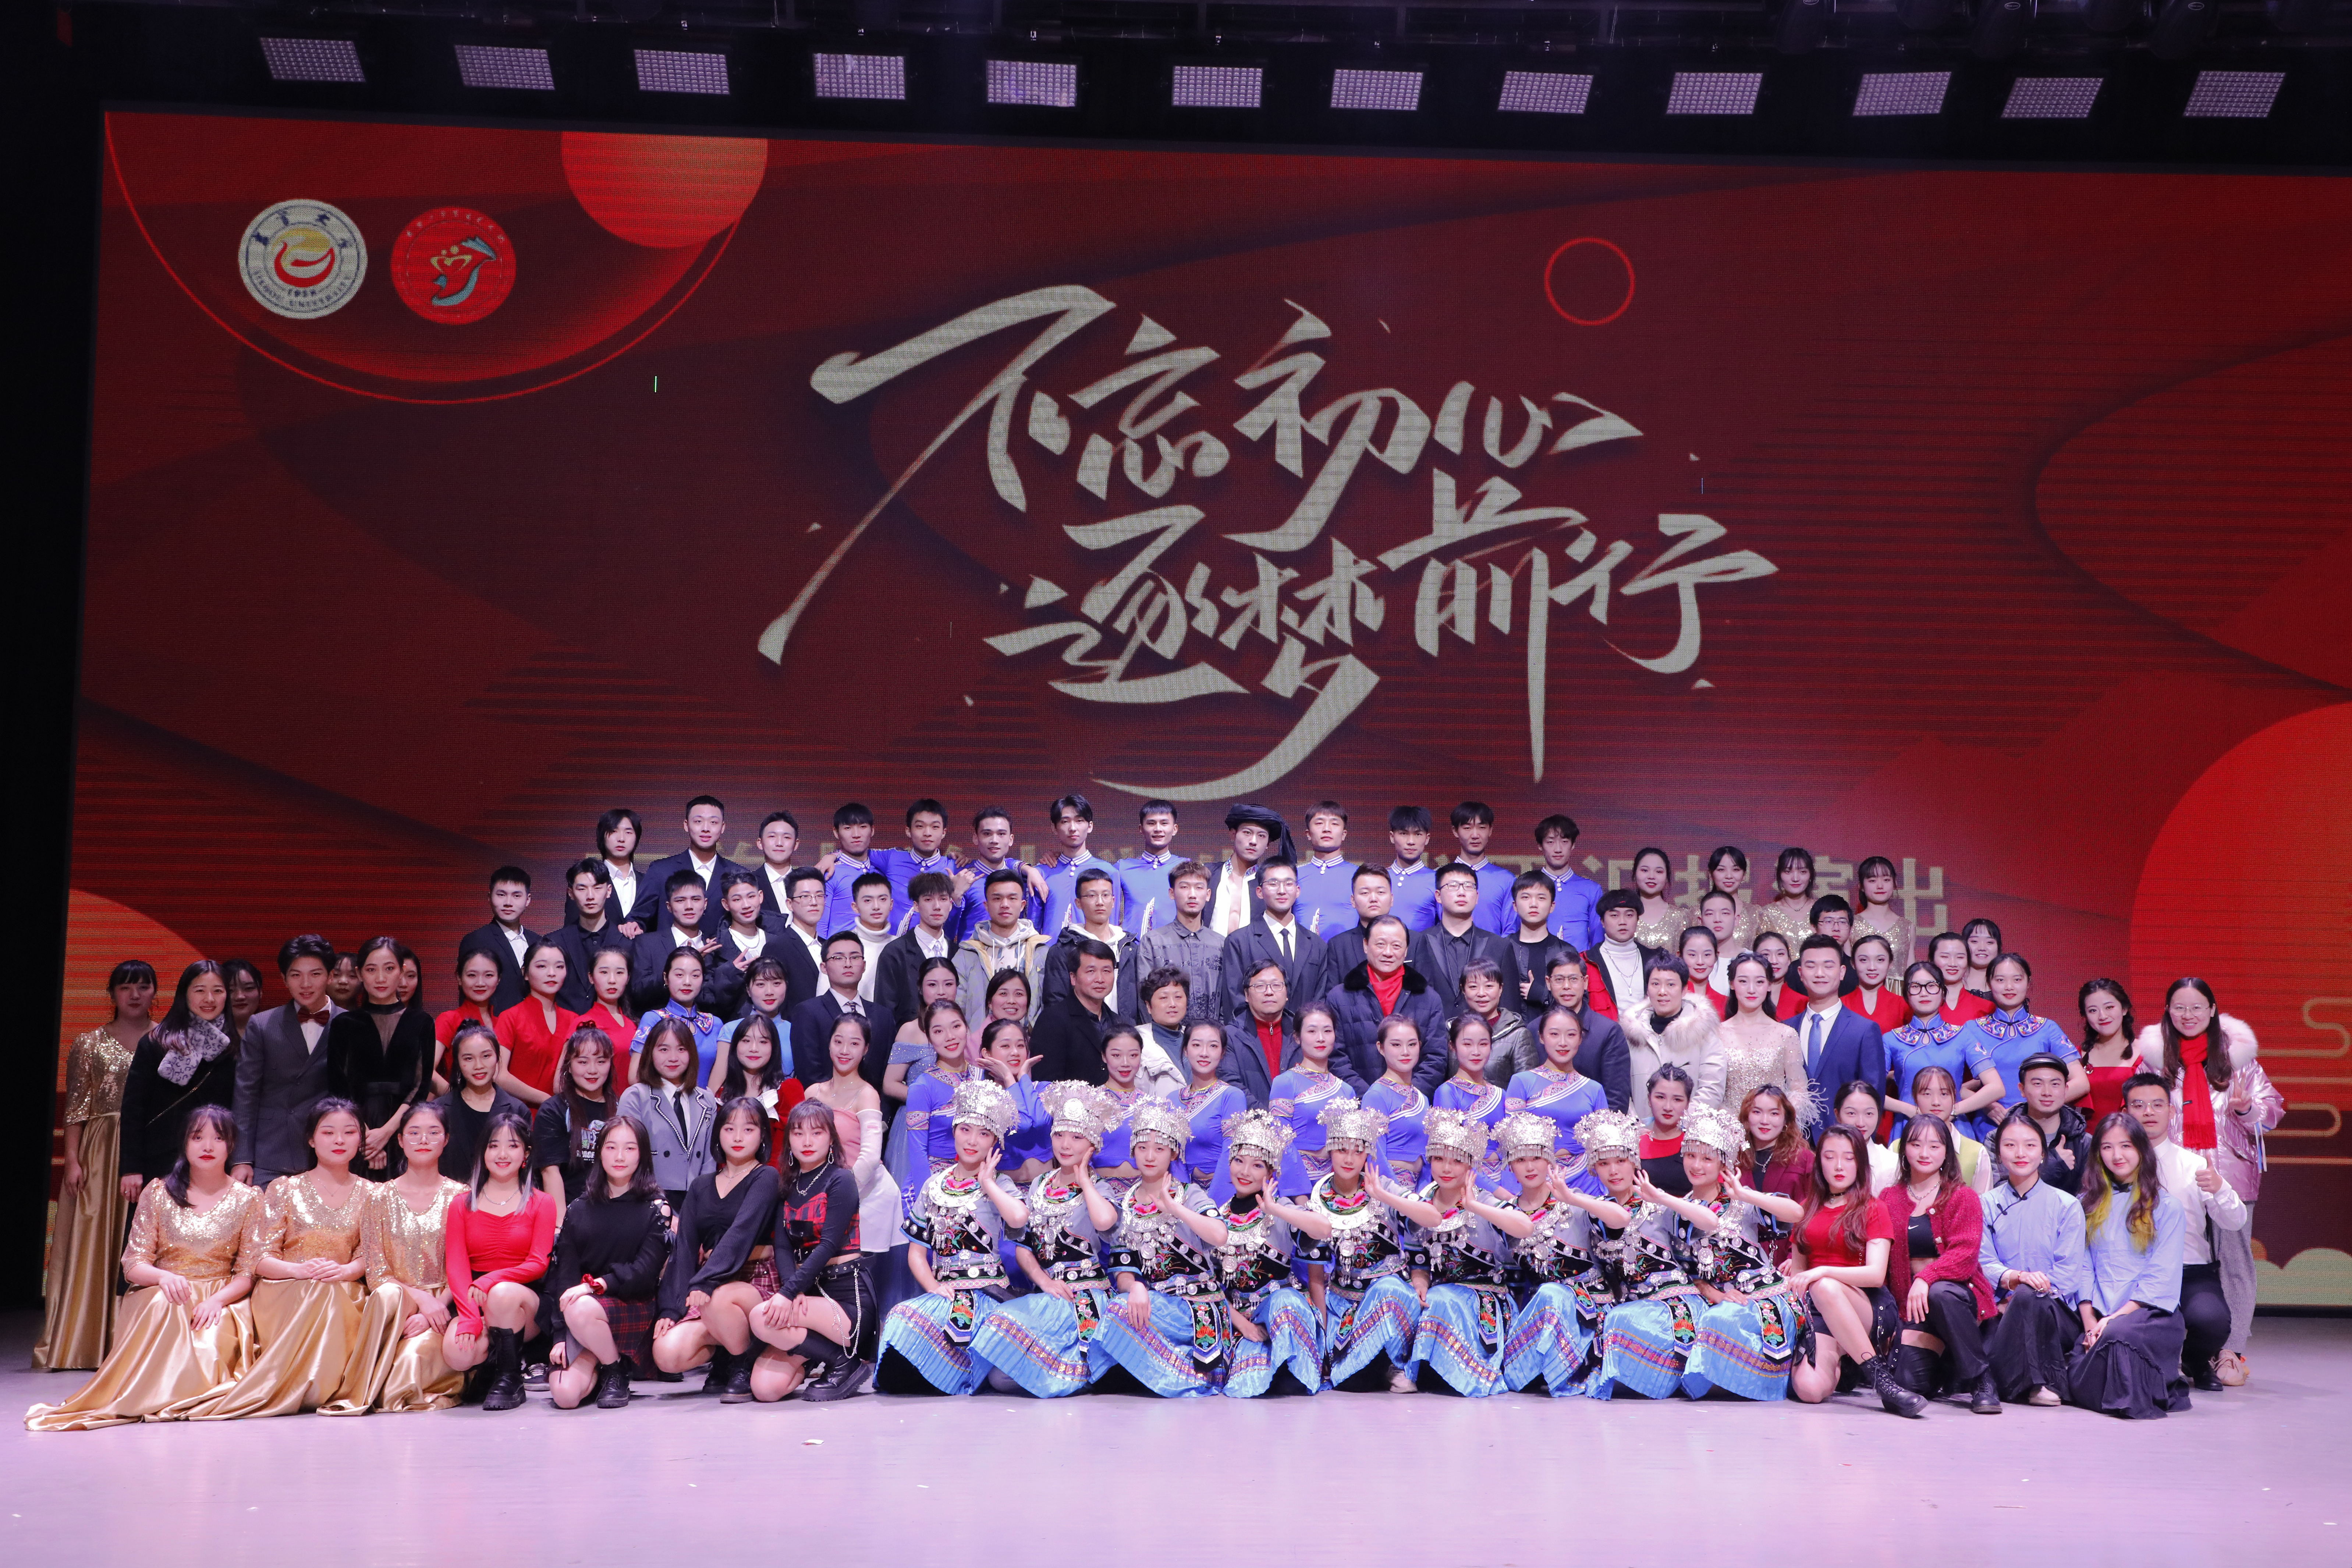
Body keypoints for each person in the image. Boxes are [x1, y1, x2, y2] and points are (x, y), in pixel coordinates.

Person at [27, 1105, 262, 1430]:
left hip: (220, 1298)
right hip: (162, 1292)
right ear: (184, 1142)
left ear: (231, 1145)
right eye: (198, 1138)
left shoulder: (249, 1199)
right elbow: (133, 1264)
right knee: (166, 1306)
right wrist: (165, 1277)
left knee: (210, 1346)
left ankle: (184, 1397)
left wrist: (215, 1301)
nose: (207, 1146)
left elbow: (247, 1272)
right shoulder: (159, 1192)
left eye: (218, 1138)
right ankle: (150, 1397)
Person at [170, 1099, 371, 1419]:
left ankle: (323, 1386)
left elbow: (370, 1255)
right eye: (328, 1132)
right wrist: (300, 1270)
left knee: (328, 1293)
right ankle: (298, 1387)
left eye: (349, 1132)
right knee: (318, 1291)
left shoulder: (373, 1194)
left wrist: (344, 1271)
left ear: (361, 1139)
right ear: (311, 1139)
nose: (339, 1140)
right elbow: (259, 1259)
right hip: (284, 1289)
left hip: (343, 1288)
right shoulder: (285, 1189)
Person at [2133, 976, 2280, 1385]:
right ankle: (2180, 1348)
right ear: (2168, 1012)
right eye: (2179, 1007)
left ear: (2212, 1010)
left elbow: (2271, 1112)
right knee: (2174, 1260)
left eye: (2197, 1007)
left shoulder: (2238, 1059)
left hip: (2230, 1174)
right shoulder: (2155, 1062)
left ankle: (2230, 1351)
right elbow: (2137, 1112)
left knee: (2234, 1263)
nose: (2188, 1015)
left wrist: (2247, 1109)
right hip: (2171, 1179)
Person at [968, 1081, 1126, 1397]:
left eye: (1077, 1137)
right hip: (1049, 1294)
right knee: (998, 1373)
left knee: (1005, 1377)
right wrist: (1044, 1281)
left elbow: (1105, 1222)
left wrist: (1084, 1180)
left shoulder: (1100, 1189)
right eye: (1059, 1135)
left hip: (1084, 1296)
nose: (1065, 1145)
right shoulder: (1039, 1184)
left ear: (1092, 1144)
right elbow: (1023, 1245)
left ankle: (1077, 1371)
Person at [35, 959, 156, 1372]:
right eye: (126, 987)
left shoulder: (168, 1039)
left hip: (150, 1146)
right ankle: (86, 1340)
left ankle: (136, 1342)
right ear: (112, 993)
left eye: (143, 986)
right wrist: (72, 1159)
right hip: (101, 1151)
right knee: (94, 1239)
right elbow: (76, 1109)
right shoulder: (89, 1043)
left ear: (155, 993)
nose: (135, 994)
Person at [1643, 1106, 1807, 1402]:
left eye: (1707, 1159)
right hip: (1718, 1301)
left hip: (1762, 1298)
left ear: (1724, 1163)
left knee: (1717, 1323)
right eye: (1691, 1156)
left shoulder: (1739, 1200)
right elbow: (1684, 1272)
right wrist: (1715, 1295)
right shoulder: (1676, 1210)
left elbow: (1796, 1213)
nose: (1696, 1165)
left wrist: (1745, 1194)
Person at [875, 1079, 1026, 1394]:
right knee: (900, 1320)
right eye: (965, 1130)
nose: (972, 1141)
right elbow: (916, 1254)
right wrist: (933, 1287)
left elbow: (1018, 1218)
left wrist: (989, 1185)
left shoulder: (999, 1183)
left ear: (994, 1142)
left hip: (988, 1294)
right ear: (954, 1131)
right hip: (945, 1292)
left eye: (983, 1134)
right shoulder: (933, 1186)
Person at [323, 1103, 467, 1415]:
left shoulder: (461, 1197)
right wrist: (418, 1300)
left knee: (406, 1372)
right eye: (414, 1133)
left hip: (443, 1308)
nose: (423, 1140)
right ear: (400, 1140)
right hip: (391, 1308)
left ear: (446, 1140)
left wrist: (434, 1309)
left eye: (433, 1133)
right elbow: (376, 1270)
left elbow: (465, 1266)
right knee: (387, 1298)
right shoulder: (379, 1197)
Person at [1493, 1108, 1640, 1396]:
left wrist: (1573, 1198)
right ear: (1510, 1165)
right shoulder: (1507, 1215)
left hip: (1589, 1307)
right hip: (1543, 1308)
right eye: (1520, 1159)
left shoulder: (1575, 1202)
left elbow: (1620, 1219)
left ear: (1550, 1161)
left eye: (1537, 1158)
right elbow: (1512, 1281)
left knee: (1552, 1293)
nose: (1530, 1167)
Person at [1781, 1124, 1923, 1416]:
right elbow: (1799, 1274)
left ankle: (1881, 1380)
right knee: (1809, 1390)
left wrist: (1822, 1272)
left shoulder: (1873, 1208)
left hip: (1866, 1305)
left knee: (1825, 1286)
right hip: (1820, 1309)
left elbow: (1875, 1275)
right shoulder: (1805, 1208)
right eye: (1829, 1157)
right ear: (1819, 1162)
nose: (1839, 1166)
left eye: (1848, 1158)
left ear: (1860, 1162)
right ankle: (1845, 1364)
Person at [1297, 1099, 1436, 1391]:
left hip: (1390, 1296)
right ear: (1330, 1150)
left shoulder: (1383, 1187)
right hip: (1344, 1302)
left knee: (1388, 1291)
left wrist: (1383, 1196)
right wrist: (1323, 1337)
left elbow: (1431, 1217)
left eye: (1358, 1151)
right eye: (1342, 1150)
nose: (1349, 1159)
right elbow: (1316, 1276)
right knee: (1351, 1380)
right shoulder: (1318, 1198)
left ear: (1368, 1154)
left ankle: (1397, 1364)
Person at [651, 1098, 783, 1402]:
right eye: (729, 1129)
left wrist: (705, 1281)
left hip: (754, 1278)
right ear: (718, 1134)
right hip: (710, 1282)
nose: (738, 1137)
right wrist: (671, 1308)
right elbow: (685, 1249)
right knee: (667, 1354)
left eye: (748, 1129)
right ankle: (725, 1354)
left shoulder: (766, 1177)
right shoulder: (701, 1185)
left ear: (762, 1135)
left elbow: (740, 1235)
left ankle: (742, 1363)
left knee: (718, 1301)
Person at [2123, 1071, 2246, 1393]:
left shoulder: (2194, 1165)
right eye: (2138, 1105)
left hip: (2188, 1271)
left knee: (2212, 1321)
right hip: (2133, 1271)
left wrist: (2219, 1189)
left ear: (2171, 1110)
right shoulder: (2114, 1164)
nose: (2148, 1112)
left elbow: (2234, 1221)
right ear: (2125, 1112)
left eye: (2157, 1105)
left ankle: (2195, 1359)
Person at [1398, 1107, 1532, 1396]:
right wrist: (1419, 1282)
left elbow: (1525, 1227)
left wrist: (1474, 1207)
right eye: (1439, 1159)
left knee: (1441, 1300)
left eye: (1457, 1161)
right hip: (1438, 1294)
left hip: (1483, 1298)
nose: (1446, 1169)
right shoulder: (1420, 1203)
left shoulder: (1485, 1201)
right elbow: (1418, 1260)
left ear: (1471, 1165)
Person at [753, 1103, 880, 1400]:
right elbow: (782, 1245)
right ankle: (821, 1353)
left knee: (761, 1317)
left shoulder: (841, 1180)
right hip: (807, 1294)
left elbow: (829, 1245)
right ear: (789, 1140)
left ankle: (843, 1362)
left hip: (846, 1301)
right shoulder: (789, 1183)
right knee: (765, 1389)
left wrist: (788, 1293)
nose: (807, 1142)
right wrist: (793, 1288)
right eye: (798, 1134)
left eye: (817, 1133)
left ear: (831, 1138)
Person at [2069, 1112, 2189, 1419]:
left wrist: (2114, 1319)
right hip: (2099, 1314)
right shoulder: (2085, 1204)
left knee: (2120, 1335)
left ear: (2141, 1150)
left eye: (2125, 1146)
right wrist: (2090, 1323)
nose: (2117, 1156)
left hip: (2149, 1313)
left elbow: (2160, 1275)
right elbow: (2083, 1266)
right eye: (2107, 1147)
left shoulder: (2167, 1207)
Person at [547, 1117, 672, 1411]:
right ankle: (607, 1362)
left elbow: (645, 1273)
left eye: (630, 1148)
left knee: (581, 1307)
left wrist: (595, 1287)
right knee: (565, 1396)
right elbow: (565, 1276)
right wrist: (560, 1335)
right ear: (599, 1152)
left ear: (642, 1155)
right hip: (582, 1314)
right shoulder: (578, 1209)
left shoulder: (656, 1208)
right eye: (611, 1147)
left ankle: (616, 1372)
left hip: (632, 1306)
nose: (619, 1157)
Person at [1879, 1113, 1998, 1411]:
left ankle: (1981, 1380)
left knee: (1940, 1292)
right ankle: (1949, 1365)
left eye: (1934, 1146)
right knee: (1906, 1385)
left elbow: (1965, 1255)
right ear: (1904, 1150)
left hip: (1956, 1298)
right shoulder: (1888, 1198)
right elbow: (1881, 1260)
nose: (1924, 1153)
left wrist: (1925, 1278)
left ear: (1946, 1152)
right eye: (1916, 1144)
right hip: (1914, 1307)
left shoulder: (1962, 1196)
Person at [440, 1107, 556, 1412]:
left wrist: (492, 1281)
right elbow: (457, 1266)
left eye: (513, 1145)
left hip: (524, 1300)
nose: (502, 1154)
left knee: (502, 1294)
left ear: (526, 1154)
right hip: (475, 1299)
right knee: (458, 1354)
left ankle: (510, 1379)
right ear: (483, 1152)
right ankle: (493, 1363)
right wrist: (468, 1317)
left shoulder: (542, 1202)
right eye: (494, 1146)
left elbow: (538, 1263)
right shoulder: (461, 1204)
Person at [1212, 1107, 1332, 1398]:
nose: (1245, 1172)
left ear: (1271, 1173)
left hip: (1284, 1312)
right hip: (1242, 1320)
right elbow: (1211, 1287)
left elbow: (1323, 1228)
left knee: (1284, 1302)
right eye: (1239, 1161)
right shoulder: (1216, 1218)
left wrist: (1276, 1209)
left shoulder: (1281, 1211)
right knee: (1247, 1386)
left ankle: (1297, 1365)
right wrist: (1241, 1324)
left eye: (1256, 1166)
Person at [1978, 1109, 2089, 1408]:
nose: (2020, 1153)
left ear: (2043, 1154)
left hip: (2053, 1314)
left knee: (2029, 1298)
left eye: (2029, 1145)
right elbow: (1982, 1262)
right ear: (1999, 1153)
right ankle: (2026, 1382)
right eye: (2010, 1145)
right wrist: (2013, 1280)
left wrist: (2023, 1292)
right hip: (1999, 1308)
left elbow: (2068, 1274)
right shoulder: (1984, 1204)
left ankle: (2035, 1381)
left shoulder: (2066, 1205)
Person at [123, 961, 242, 1199]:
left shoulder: (236, 1048)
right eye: (200, 990)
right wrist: (130, 1168)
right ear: (184, 994)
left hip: (217, 1164)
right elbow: (133, 1110)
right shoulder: (156, 1043)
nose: (209, 999)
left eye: (218, 991)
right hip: (161, 1161)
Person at [229, 935, 337, 1187]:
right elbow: (246, 1095)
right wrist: (241, 1159)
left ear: (330, 976)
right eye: (296, 975)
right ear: (284, 979)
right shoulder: (262, 1024)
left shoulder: (350, 1024)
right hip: (269, 1154)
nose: (306, 984)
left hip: (330, 1155)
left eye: (315, 974)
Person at [326, 936, 435, 1175]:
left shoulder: (422, 1022)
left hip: (404, 1128)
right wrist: (366, 1137)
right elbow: (338, 1086)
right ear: (360, 974)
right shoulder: (344, 1023)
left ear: (402, 972)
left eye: (389, 969)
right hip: (354, 1131)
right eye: (371, 970)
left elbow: (421, 1086)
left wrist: (386, 1133)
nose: (381, 978)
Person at [1326, 916, 1447, 1095]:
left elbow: (1436, 1058)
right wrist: (1370, 1097)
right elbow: (1336, 1057)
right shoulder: (1339, 998)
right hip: (1357, 1104)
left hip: (1413, 1104)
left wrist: (1407, 1098)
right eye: (1380, 945)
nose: (1388, 953)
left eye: (1397, 946)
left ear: (1406, 950)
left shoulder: (1429, 999)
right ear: (1366, 945)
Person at [1957, 953, 2086, 1118]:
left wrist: (2032, 1106)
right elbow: (1955, 1086)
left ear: (2028, 983)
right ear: (1989, 983)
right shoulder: (1972, 1029)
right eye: (2000, 980)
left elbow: (2081, 1083)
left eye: (2017, 980)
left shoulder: (2047, 1029)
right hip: (1989, 1124)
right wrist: (1986, 1105)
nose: (2009, 987)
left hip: (2037, 1122)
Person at [1883, 961, 2002, 1139]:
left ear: (1943, 993)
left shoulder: (1962, 1036)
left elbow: (1996, 1088)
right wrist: (1909, 1110)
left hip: (1955, 1127)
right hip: (1909, 1127)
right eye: (1916, 987)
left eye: (1931, 986)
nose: (1924, 993)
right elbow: (1870, 1090)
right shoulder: (1891, 1039)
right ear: (1906, 994)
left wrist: (1954, 1110)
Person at [618, 1015, 719, 1209]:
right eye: (664, 1049)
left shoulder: (706, 1100)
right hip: (647, 1200)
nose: (673, 1058)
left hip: (696, 1202)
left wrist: (703, 1204)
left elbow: (709, 1160)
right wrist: (657, 1206)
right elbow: (627, 1158)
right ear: (650, 1053)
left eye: (682, 1049)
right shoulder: (636, 1097)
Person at [1506, 1007, 1610, 1192]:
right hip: (1536, 1182)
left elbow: (1604, 1147)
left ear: (1580, 1039)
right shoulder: (1521, 1082)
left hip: (1587, 1182)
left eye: (1571, 1035)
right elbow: (1514, 1145)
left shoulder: (1594, 1089)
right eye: (1554, 1034)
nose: (1563, 1043)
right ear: (1541, 1037)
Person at [1221, 856, 1330, 1025]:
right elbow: (1235, 1001)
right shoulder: (1239, 942)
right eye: (1273, 884)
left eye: (1289, 883)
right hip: (1254, 1036)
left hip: (1304, 1036)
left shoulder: (1317, 945)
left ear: (1298, 890)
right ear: (1259, 892)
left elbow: (1320, 1000)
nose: (1282, 891)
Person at [1789, 935, 1885, 1118]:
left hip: (1845, 1133)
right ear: (1801, 973)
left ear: (1842, 972)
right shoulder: (1786, 1030)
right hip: (1793, 1134)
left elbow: (1873, 1099)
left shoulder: (1864, 1030)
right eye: (1811, 966)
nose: (1820, 973)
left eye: (1828, 966)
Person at [431, 1023, 525, 1199]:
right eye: (469, 1059)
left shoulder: (517, 1110)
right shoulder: (439, 1111)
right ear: (458, 1062)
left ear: (497, 1057)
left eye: (486, 1056)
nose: (479, 1066)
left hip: (504, 1202)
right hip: (449, 1202)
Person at [1269, 1003, 1355, 1197]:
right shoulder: (1285, 1083)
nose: (1321, 1038)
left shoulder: (1346, 1091)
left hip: (1337, 1189)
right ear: (1297, 1037)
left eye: (1327, 1031)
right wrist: (1300, 1196)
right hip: (1295, 1188)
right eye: (1312, 1031)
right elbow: (1281, 1142)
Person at [532, 1026, 620, 1211]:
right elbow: (550, 1173)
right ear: (569, 1066)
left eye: (601, 1061)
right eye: (583, 1062)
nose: (593, 1070)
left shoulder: (621, 1109)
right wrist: (562, 1223)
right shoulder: (554, 1110)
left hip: (615, 1211)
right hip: (571, 1212)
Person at [1715, 953, 1808, 1127]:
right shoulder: (1716, 1034)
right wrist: (1731, 1124)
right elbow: (1710, 1090)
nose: (1752, 989)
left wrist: (1777, 1119)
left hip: (1772, 1130)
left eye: (1759, 982)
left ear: (1769, 985)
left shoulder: (1786, 1035)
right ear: (1732, 984)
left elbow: (1799, 1089)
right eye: (1743, 981)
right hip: (1727, 1129)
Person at [1622, 956, 1727, 1110]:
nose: (1662, 992)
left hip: (1689, 1124)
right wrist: (1635, 1123)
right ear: (1647, 989)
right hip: (1639, 1124)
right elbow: (1621, 1090)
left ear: (1684, 990)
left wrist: (1683, 1122)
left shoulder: (1704, 1032)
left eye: (1671, 985)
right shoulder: (1630, 1034)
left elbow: (1712, 1088)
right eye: (1656, 984)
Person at [954, 868, 1052, 1030]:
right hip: (979, 1043)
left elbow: (1050, 1006)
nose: (1005, 905)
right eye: (997, 898)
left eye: (1012, 898)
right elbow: (957, 1008)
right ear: (986, 905)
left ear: (1022, 905)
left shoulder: (1042, 952)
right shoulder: (967, 954)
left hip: (1031, 1042)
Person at [632, 795, 745, 934]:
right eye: (698, 821)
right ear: (686, 825)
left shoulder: (738, 874)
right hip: (670, 947)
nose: (706, 828)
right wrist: (634, 924)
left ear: (723, 828)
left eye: (713, 822)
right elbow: (640, 917)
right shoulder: (661, 871)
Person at [1134, 859, 1225, 1027]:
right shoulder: (1153, 942)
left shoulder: (1221, 944)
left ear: (1208, 895)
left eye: (1199, 888)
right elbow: (1145, 997)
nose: (1192, 895)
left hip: (1213, 1037)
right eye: (1184, 887)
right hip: (1165, 1036)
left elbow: (1226, 1001)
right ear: (1172, 893)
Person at [1408, 862, 1512, 1010]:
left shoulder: (1500, 946)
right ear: (1438, 896)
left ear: (1477, 897)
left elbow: (1509, 1007)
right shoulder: (1419, 943)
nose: (1462, 893)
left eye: (1469, 886)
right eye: (1453, 886)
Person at [1039, 866, 1140, 1017]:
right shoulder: (1064, 950)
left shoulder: (1129, 948)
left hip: (1125, 1030)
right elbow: (1055, 1002)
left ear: (1113, 901)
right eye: (1092, 896)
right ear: (1078, 903)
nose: (1100, 902)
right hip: (1079, 1030)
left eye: (1106, 895)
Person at [1536, 956, 1632, 1110]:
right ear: (1548, 983)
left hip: (1595, 1122)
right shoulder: (1534, 1029)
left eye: (1574, 979)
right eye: (1559, 980)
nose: (1567, 987)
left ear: (1586, 982)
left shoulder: (1608, 1032)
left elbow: (1616, 1100)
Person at [873, 870, 959, 1037]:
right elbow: (885, 1012)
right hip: (907, 1043)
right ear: (916, 906)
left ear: (950, 904)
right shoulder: (895, 953)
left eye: (943, 899)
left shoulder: (959, 953)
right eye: (928, 900)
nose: (937, 906)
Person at [628, 947, 726, 1089]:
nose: (687, 982)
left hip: (705, 1101)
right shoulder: (654, 1019)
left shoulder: (714, 1024)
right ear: (666, 978)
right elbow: (635, 1076)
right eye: (680, 975)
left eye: (695, 976)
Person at [1434, 1011, 1511, 1192]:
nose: (1476, 1052)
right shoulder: (1448, 1093)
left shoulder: (1501, 1095)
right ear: (1453, 1046)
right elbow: (1451, 1156)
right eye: (1467, 1044)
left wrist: (1511, 1192)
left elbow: (1510, 1153)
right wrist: (1498, 1193)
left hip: (1506, 1184)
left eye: (1483, 1044)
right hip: (1468, 1187)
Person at [1031, 936, 1123, 1085]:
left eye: (1107, 971)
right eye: (1091, 971)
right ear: (1073, 978)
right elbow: (1045, 1083)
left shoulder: (1119, 1023)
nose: (1100, 979)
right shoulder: (1053, 1021)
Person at [950, 806, 1049, 946]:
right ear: (976, 838)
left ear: (1011, 839)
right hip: (972, 955)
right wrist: (955, 896)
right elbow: (946, 930)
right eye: (987, 834)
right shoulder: (963, 877)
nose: (994, 840)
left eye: (1001, 834)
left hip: (1016, 955)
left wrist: (1030, 870)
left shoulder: (1023, 878)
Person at [629, 872, 723, 1014]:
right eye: (680, 901)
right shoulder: (647, 943)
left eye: (696, 899)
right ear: (669, 906)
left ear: (705, 904)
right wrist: (675, 969)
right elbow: (637, 992)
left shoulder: (714, 947)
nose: (689, 906)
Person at [789, 932, 875, 1086]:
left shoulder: (883, 1016)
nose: (848, 964)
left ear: (864, 966)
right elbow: (809, 1074)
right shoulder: (807, 1012)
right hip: (823, 1099)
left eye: (855, 957)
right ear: (824, 967)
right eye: (839, 958)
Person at [1740, 1085, 1813, 1266]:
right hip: (1741, 1255)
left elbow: (1812, 1212)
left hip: (1789, 1256)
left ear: (1785, 1119)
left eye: (1774, 1114)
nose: (1765, 1121)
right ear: (1747, 1117)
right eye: (1757, 1112)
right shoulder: (1735, 1158)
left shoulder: (1803, 1159)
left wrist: (1795, 1257)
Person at [705, 868, 791, 1021]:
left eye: (751, 897)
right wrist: (731, 973)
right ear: (726, 904)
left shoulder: (780, 939)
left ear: (760, 897)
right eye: (737, 900)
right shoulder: (716, 947)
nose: (746, 905)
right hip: (738, 1026)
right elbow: (709, 999)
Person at [549, 859, 631, 1014]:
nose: (590, 896)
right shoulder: (554, 943)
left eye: (597, 888)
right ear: (571, 893)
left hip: (614, 1024)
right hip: (566, 1026)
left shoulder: (628, 942)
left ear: (609, 891)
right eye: (582, 889)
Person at [1362, 1017, 1434, 1189]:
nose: (1406, 1052)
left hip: (1418, 1193)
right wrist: (1399, 1196)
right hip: (1389, 1191)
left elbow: (1427, 1158)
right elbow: (1376, 1156)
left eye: (1412, 1045)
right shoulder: (1376, 1096)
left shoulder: (1423, 1099)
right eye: (1396, 1045)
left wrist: (1422, 1195)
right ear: (1381, 1048)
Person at [715, 1013, 803, 1152]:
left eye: (763, 1042)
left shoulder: (787, 1090)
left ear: (774, 1047)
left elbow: (789, 1146)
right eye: (746, 1041)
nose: (754, 1049)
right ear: (735, 1046)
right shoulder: (722, 1096)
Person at [457, 867, 540, 1013]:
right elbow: (469, 997)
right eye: (501, 895)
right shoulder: (476, 940)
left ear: (528, 900)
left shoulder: (539, 942)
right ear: (490, 897)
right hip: (494, 1024)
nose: (508, 903)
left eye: (516, 896)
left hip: (535, 1022)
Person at [1177, 1025, 1246, 1199]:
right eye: (1197, 1045)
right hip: (1184, 1196)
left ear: (1223, 1053)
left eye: (1213, 1046)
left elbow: (1231, 1153)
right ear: (1186, 1050)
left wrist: (1213, 1203)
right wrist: (1183, 1197)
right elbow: (1172, 1157)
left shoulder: (1232, 1096)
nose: (1204, 1053)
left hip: (1222, 1194)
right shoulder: (1172, 1099)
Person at [1036, 793, 1116, 937]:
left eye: (1079, 821)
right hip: (1050, 950)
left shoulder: (1109, 871)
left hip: (1095, 950)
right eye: (1065, 822)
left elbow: (1113, 925)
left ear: (1090, 826)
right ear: (1055, 828)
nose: (1073, 828)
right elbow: (1033, 926)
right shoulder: (1041, 873)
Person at [2015, 1052, 2094, 1195]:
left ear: (2066, 1090)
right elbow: (2003, 1191)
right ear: (2022, 1089)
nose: (2047, 1092)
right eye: (2038, 1084)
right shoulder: (2000, 1139)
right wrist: (2055, 1163)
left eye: (2055, 1084)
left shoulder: (2085, 1143)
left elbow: (2093, 1195)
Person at [1907, 1067, 1996, 1195]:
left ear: (1954, 1097)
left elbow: (1983, 1203)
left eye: (1944, 1094)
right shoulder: (1897, 1149)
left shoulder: (1976, 1153)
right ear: (1915, 1098)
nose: (1936, 1102)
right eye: (1927, 1094)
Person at [1203, 801, 1284, 937]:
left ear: (1268, 844)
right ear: (1233, 834)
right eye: (1247, 833)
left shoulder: (1270, 885)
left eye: (1261, 836)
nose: (1254, 841)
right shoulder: (1207, 874)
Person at [1500, 869, 1572, 1021]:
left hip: (1556, 1031)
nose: (1533, 904)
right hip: (1508, 1033)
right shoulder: (1501, 948)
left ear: (1552, 906)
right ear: (1515, 906)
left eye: (1541, 898)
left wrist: (1542, 994)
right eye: (1526, 897)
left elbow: (1578, 1002)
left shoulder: (1566, 952)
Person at [1218, 960, 1290, 1106]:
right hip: (1251, 1118)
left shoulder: (1301, 1034)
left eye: (1277, 985)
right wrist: (1266, 1116)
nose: (1269, 992)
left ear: (1286, 993)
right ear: (1247, 995)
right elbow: (1231, 1085)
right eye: (1260, 986)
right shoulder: (1230, 1036)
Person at [1533, 815, 1607, 948]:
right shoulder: (1528, 887)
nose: (1558, 849)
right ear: (1540, 846)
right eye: (1550, 842)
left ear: (1573, 845)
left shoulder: (1591, 889)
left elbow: (1597, 939)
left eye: (1565, 842)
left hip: (1580, 961)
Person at [1445, 801, 1520, 932]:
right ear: (1455, 831)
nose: (1475, 836)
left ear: (1491, 830)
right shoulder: (1441, 877)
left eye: (1482, 828)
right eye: (1467, 828)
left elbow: (1511, 930)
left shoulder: (1506, 880)